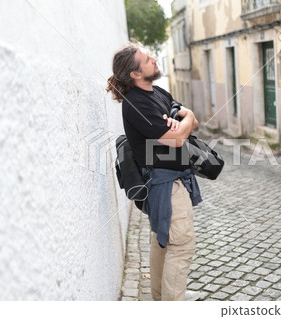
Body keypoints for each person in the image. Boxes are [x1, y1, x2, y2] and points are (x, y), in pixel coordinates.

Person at [106, 43, 202, 301]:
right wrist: (184, 124)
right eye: (146, 59)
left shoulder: (157, 92)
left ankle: (163, 299)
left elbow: (190, 118)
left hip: (170, 181)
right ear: (135, 74)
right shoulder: (136, 103)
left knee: (163, 240)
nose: (153, 59)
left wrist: (185, 119)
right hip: (164, 185)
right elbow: (177, 140)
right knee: (180, 245)